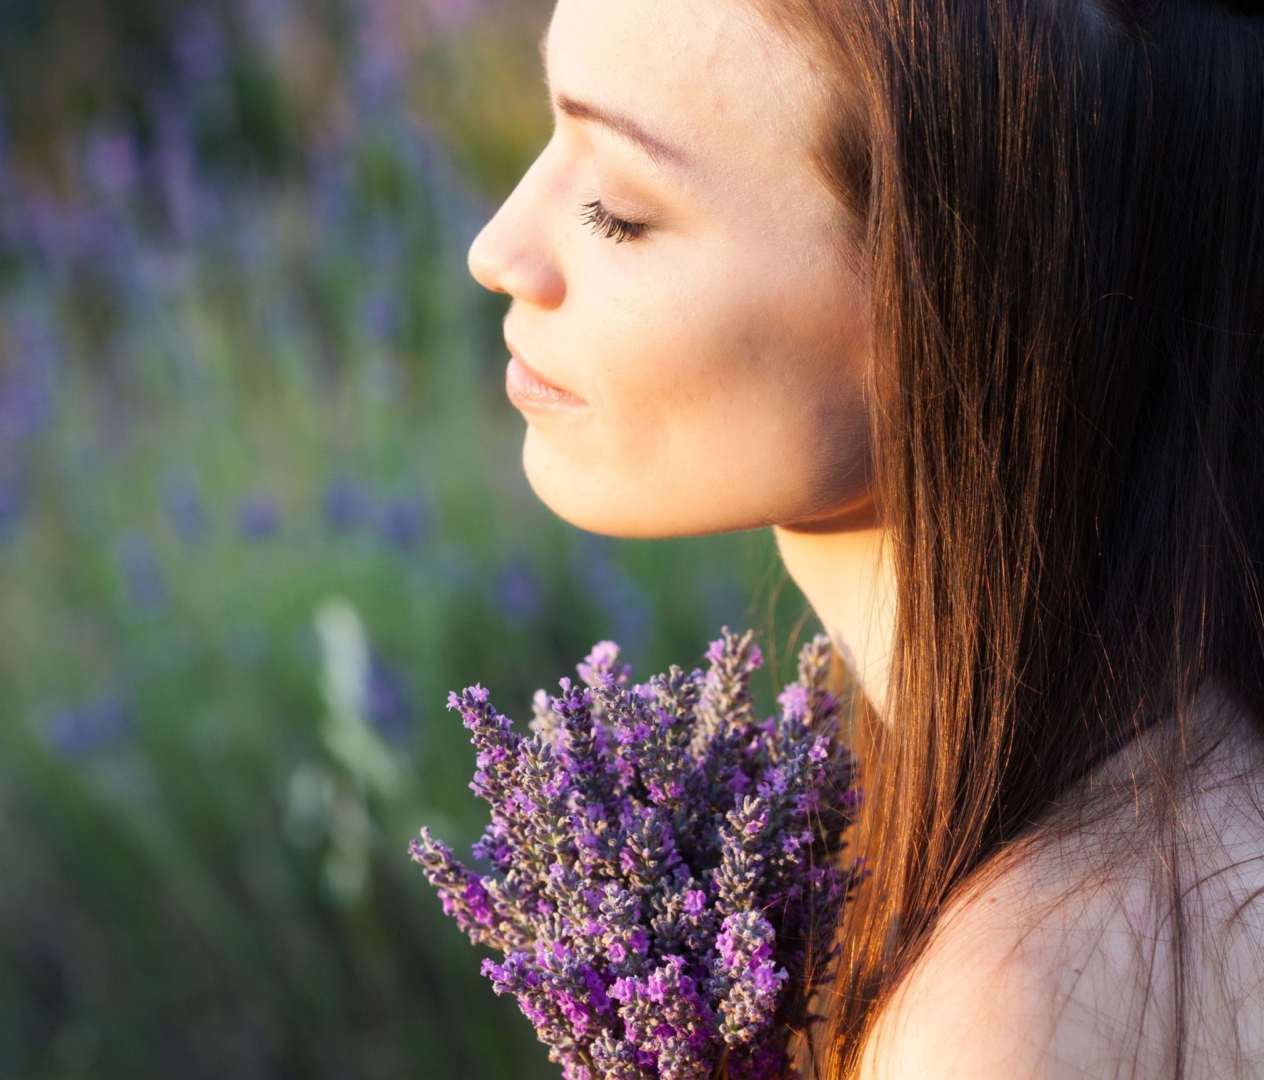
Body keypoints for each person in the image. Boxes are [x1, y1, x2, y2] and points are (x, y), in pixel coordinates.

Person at [465, 0, 1264, 1076]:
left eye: (617, 210)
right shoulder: (1179, 780)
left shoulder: (1018, 1012)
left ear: (961, 294)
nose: (498, 249)